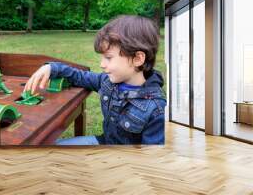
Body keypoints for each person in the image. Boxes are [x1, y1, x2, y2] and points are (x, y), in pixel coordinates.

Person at [24, 15, 167, 145]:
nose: (102, 64)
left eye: (109, 58)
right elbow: (78, 76)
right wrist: (52, 68)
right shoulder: (108, 82)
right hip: (104, 142)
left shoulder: (156, 109)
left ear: (137, 59)